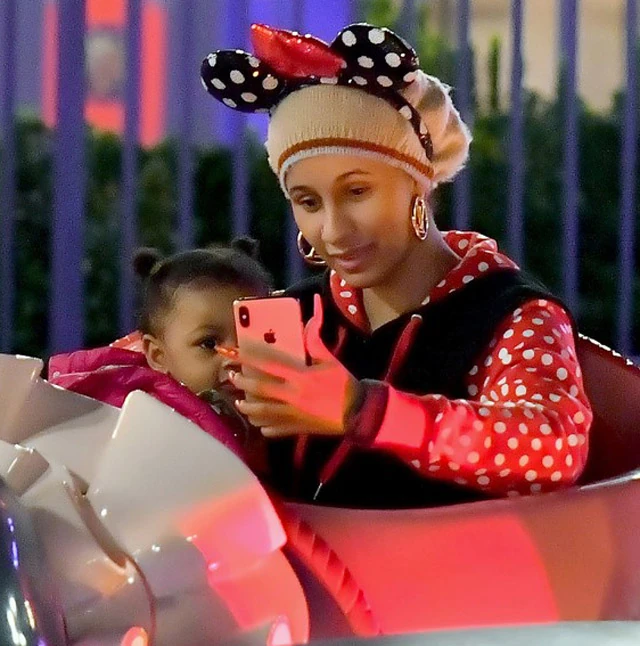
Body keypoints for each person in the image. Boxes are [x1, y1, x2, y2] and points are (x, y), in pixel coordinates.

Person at [201, 22, 592, 507]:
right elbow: (133, 375)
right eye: (308, 201)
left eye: (357, 191)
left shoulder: (509, 313)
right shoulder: (291, 315)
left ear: (419, 181)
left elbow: (554, 450)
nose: (333, 230)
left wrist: (363, 411)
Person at [49, 238, 272, 465]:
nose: (236, 357)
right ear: (158, 355)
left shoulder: (278, 413)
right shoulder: (146, 429)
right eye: (209, 343)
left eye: (252, 339)